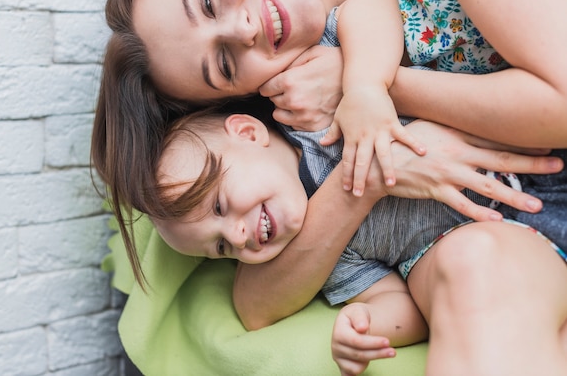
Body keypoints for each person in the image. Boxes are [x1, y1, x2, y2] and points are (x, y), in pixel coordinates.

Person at [89, 0, 567, 373]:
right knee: (474, 268)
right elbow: (257, 308)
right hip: (506, 234)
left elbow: (372, 6)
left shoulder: (336, 54)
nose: (243, 30)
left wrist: (361, 85)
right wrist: (362, 186)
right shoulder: (294, 107)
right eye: (226, 66)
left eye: (209, 1)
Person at [147, 105, 567, 375]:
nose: (237, 238)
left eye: (219, 206)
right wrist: (367, 325)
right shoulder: (325, 256)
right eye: (221, 249)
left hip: (542, 165)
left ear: (248, 132)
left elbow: (365, 9)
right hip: (508, 251)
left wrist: (365, 78)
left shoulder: (316, 114)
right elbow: (408, 308)